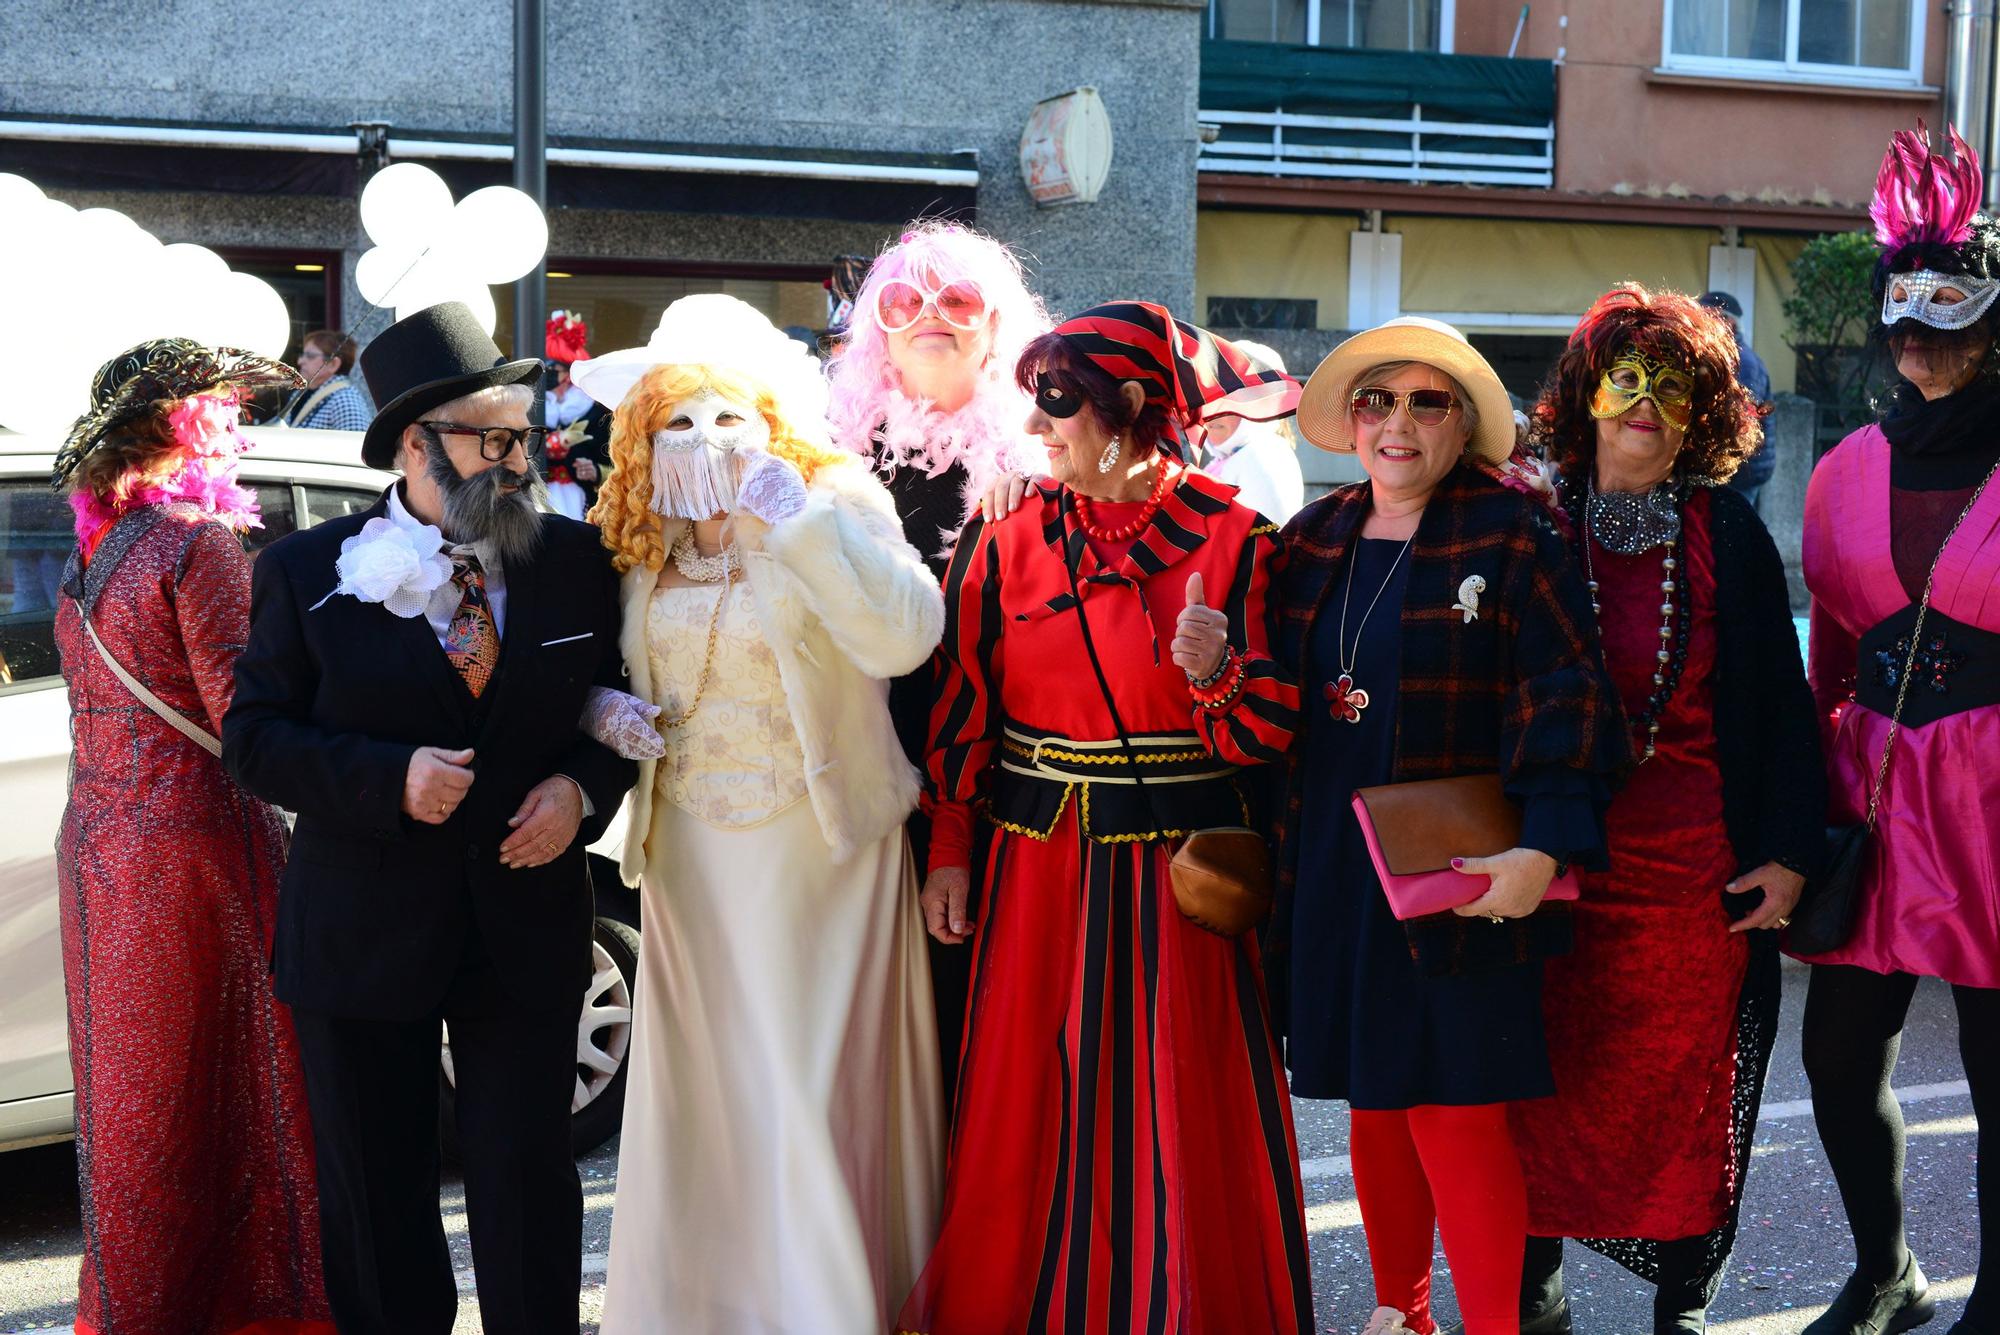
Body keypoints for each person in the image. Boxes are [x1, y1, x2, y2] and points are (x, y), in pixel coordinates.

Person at [221, 301, 638, 1335]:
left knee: (529, 1184)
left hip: (524, 925)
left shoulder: (577, 562)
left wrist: (582, 790)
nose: (512, 458)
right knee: (375, 1195)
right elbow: (254, 740)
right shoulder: (303, 573)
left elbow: (620, 706)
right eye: (486, 437)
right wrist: (385, 775)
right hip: (359, 932)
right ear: (415, 445)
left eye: (518, 436)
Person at [898, 301, 1314, 1334]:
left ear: (1132, 407)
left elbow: (1274, 737)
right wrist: (948, 853)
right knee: (1024, 1105)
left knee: (1178, 1099)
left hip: (1185, 880)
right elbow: (961, 711)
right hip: (1035, 871)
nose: (1036, 432)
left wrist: (1216, 677)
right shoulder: (1000, 542)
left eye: (1059, 410)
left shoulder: (1243, 543)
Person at [571, 293, 946, 1334]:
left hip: (818, 846)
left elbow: (904, 638)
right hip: (690, 846)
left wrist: (803, 523)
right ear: (644, 433)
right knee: (712, 1096)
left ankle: (830, 1305)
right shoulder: (640, 534)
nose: (705, 440)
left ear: (770, 418)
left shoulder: (829, 496)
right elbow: (597, 664)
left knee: (805, 1079)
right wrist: (604, 712)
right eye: (679, 420)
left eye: (727, 416)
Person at [1273, 316, 1627, 1335]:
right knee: (1379, 1102)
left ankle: (1490, 1328)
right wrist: (1209, 663)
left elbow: (1568, 697)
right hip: (1335, 864)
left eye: (1426, 402)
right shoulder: (1309, 539)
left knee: (1459, 1112)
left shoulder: (1511, 533)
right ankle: (1401, 1314)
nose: (1396, 423)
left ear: (1461, 425)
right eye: (1376, 401)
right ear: (1347, 423)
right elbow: (1263, 703)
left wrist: (1544, 848)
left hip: (1461, 871)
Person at [1509, 286, 1824, 1335]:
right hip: (1548, 864)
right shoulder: (1525, 519)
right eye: (1625, 378)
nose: (1644, 403)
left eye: (1672, 385)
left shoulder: (1723, 531)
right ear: (1584, 394)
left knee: (1689, 1090)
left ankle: (1683, 1297)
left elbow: (1780, 711)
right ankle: (1531, 1285)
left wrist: (1785, 854)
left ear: (1704, 413)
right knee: (1533, 1077)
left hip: (1691, 872)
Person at [50, 338, 332, 1335]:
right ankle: (242, 1308)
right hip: (199, 853)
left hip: (98, 849)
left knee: (135, 1103)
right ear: (193, 419)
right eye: (227, 407)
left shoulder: (99, 548)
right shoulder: (197, 543)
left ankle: (140, 1306)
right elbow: (239, 718)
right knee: (240, 1090)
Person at [1794, 121, 2000, 1335]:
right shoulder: (1840, 470)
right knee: (1834, 1058)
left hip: (1991, 794)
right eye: (1904, 318)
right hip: (1869, 786)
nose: (1921, 341)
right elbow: (1826, 648)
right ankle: (1884, 1272)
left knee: (1995, 1070)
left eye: (1952, 319)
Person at [824, 219, 1050, 1112]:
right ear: (876, 326)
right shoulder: (835, 452)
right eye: (903, 299)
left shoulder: (1037, 456)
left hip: (985, 760)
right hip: (860, 741)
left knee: (966, 995)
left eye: (959, 300)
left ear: (997, 326)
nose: (931, 316)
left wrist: (1035, 487)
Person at [1199, 337, 1307, 523]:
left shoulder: (1265, 458)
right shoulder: (1233, 457)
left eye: (1230, 397)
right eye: (1210, 397)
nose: (1215, 411)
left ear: (1262, 404)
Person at [1696, 293, 1774, 509]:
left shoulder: (1744, 362)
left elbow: (1743, 419)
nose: (1699, 324)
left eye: (1706, 317)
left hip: (1742, 469)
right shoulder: (1722, 357)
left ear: (1728, 322)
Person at [542, 309, 610, 519]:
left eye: (554, 368)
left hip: (583, 502)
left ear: (569, 374)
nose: (548, 373)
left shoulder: (597, 412)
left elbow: (619, 466)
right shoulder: (530, 410)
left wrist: (597, 471)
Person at [281, 329, 372, 431]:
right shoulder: (300, 394)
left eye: (310, 356)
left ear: (333, 364)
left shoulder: (345, 399)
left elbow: (356, 444)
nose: (300, 361)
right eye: (302, 355)